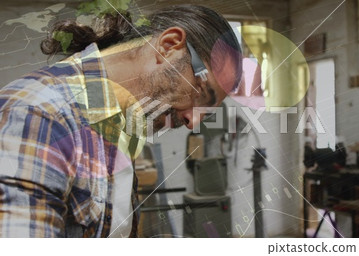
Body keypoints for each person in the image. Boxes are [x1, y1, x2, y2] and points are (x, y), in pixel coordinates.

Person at [0, 4, 242, 237]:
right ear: (168, 46)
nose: (193, 122)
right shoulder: (40, 113)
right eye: (201, 93)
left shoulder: (118, 126)